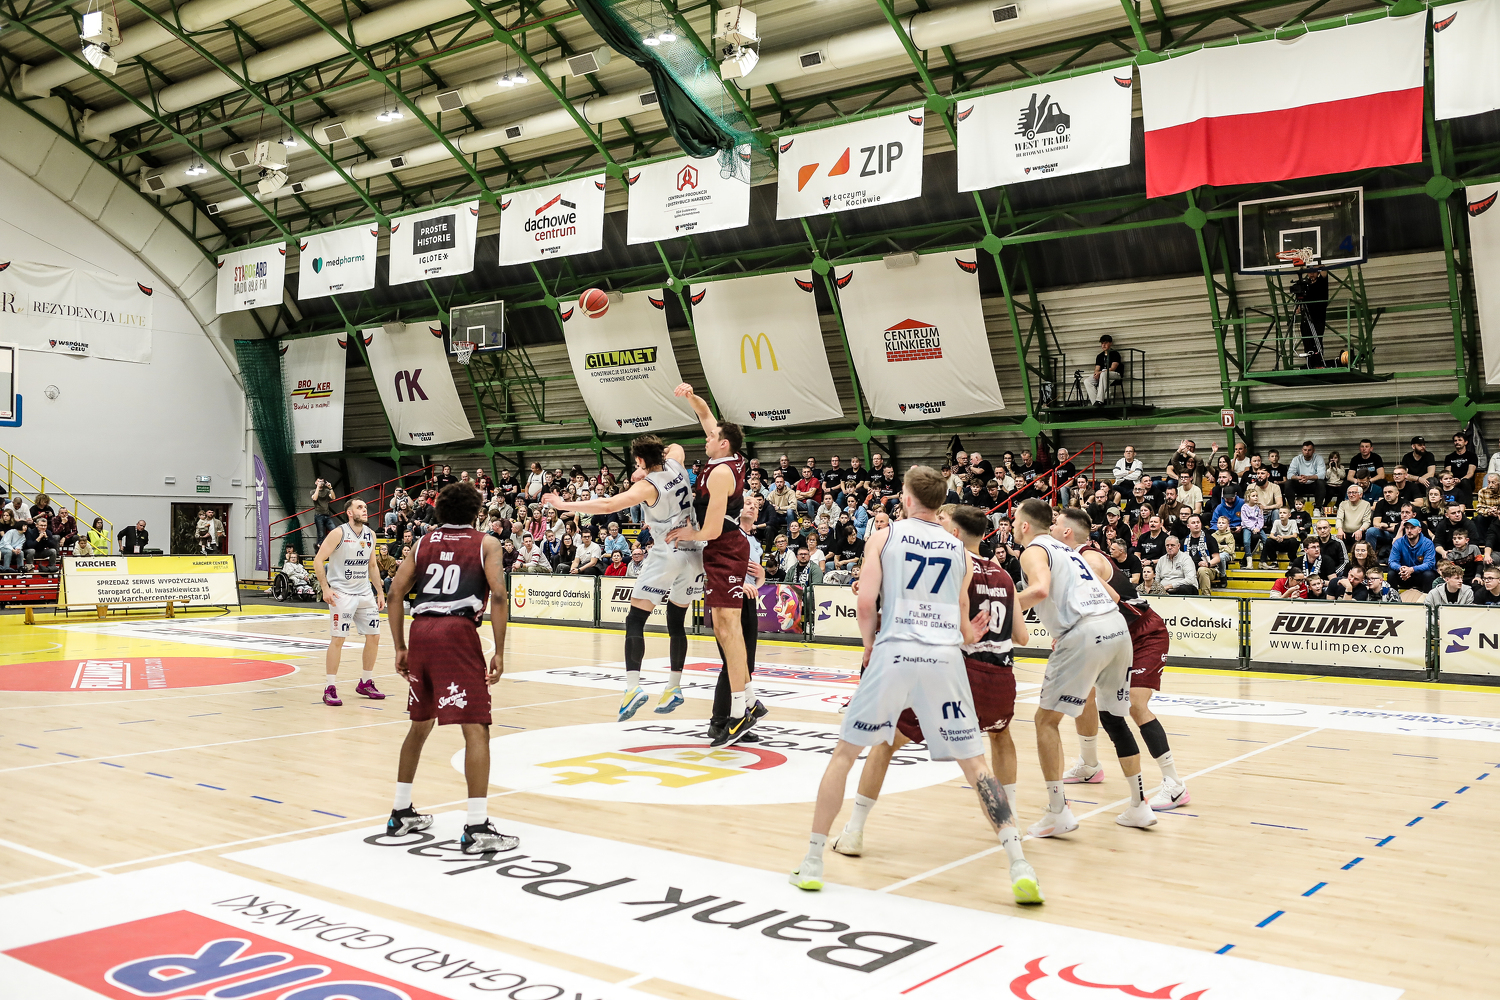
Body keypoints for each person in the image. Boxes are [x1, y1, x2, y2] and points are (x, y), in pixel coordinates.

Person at [792, 469, 1042, 905]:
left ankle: (813, 861)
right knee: (977, 766)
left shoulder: (884, 536)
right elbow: (964, 622)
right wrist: (969, 632)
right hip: (944, 658)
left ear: (907, 499)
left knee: (845, 755)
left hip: (896, 650)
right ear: (941, 501)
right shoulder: (960, 551)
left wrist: (868, 646)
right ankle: (1019, 863)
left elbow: (866, 602)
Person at [829, 503, 1031, 852]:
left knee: (885, 743)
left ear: (954, 533)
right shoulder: (1002, 574)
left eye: (943, 521)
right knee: (1000, 737)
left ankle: (854, 832)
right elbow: (1022, 637)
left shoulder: (953, 564)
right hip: (1001, 676)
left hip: (957, 674)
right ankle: (1009, 820)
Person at [383, 483, 518, 855]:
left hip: (421, 630)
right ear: (476, 512)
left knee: (420, 724)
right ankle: (477, 827)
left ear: (439, 511)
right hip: (456, 633)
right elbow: (499, 594)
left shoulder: (422, 542)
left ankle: (400, 812)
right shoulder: (486, 543)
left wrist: (400, 646)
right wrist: (499, 651)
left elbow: (394, 594)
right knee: (476, 729)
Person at [1013, 498, 1154, 836]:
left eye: (1015, 520)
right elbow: (1114, 597)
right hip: (1116, 627)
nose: (1014, 525)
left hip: (1084, 632)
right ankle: (1139, 805)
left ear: (1025, 525)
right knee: (1115, 718)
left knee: (1045, 721)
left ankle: (1058, 812)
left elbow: (1040, 589)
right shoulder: (1071, 551)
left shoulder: (1033, 550)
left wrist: (997, 601)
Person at [544, 434, 704, 720]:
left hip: (668, 552)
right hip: (695, 553)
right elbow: (677, 447)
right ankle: (674, 686)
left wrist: (564, 504)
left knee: (635, 620)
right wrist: (653, 458)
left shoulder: (647, 486)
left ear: (640, 460)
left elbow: (608, 505)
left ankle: (632, 688)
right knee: (677, 620)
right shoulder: (677, 464)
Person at [1065, 509, 1189, 810]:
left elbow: (1109, 600)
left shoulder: (1089, 560)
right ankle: (1090, 765)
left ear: (1067, 531)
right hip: (1113, 635)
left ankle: (1174, 784)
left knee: (1135, 703)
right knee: (1083, 693)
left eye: (1056, 524)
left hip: (1143, 633)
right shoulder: (1070, 559)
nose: (1052, 527)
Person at [668, 383, 758, 746]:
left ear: (724, 444)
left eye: (711, 437)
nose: (706, 437)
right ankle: (748, 701)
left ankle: (740, 712)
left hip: (725, 548)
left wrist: (687, 533)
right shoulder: (725, 457)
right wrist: (691, 396)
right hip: (723, 549)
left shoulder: (721, 473)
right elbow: (706, 414)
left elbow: (713, 529)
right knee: (723, 630)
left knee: (729, 632)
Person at [312, 497, 386, 706]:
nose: (365, 510)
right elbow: (318, 560)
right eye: (360, 507)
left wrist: (380, 592)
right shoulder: (338, 533)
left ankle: (365, 682)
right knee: (338, 639)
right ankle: (329, 687)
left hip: (364, 592)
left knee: (374, 636)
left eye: (365, 507)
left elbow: (372, 565)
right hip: (341, 593)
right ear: (350, 513)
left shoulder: (371, 534)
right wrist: (325, 588)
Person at [1388, 517, 1437, 592]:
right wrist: (1401, 568)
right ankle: (1392, 597)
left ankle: (1427, 598)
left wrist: (1412, 569)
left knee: (1429, 575)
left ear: (1419, 530)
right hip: (1403, 575)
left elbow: (1429, 564)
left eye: (1413, 528)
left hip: (1419, 575)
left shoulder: (1428, 543)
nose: (1409, 531)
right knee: (1391, 574)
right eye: (1407, 528)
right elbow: (1392, 561)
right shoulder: (1398, 542)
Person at [1088, 334, 1122, 405]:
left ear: (1110, 343)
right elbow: (1097, 368)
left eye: (1105, 343)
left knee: (1103, 373)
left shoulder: (1115, 354)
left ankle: (1100, 400)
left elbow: (1113, 368)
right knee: (1087, 381)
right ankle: (1095, 403)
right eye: (1102, 343)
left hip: (1115, 375)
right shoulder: (1099, 356)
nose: (1103, 345)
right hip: (1103, 375)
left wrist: (1100, 373)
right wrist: (1096, 373)